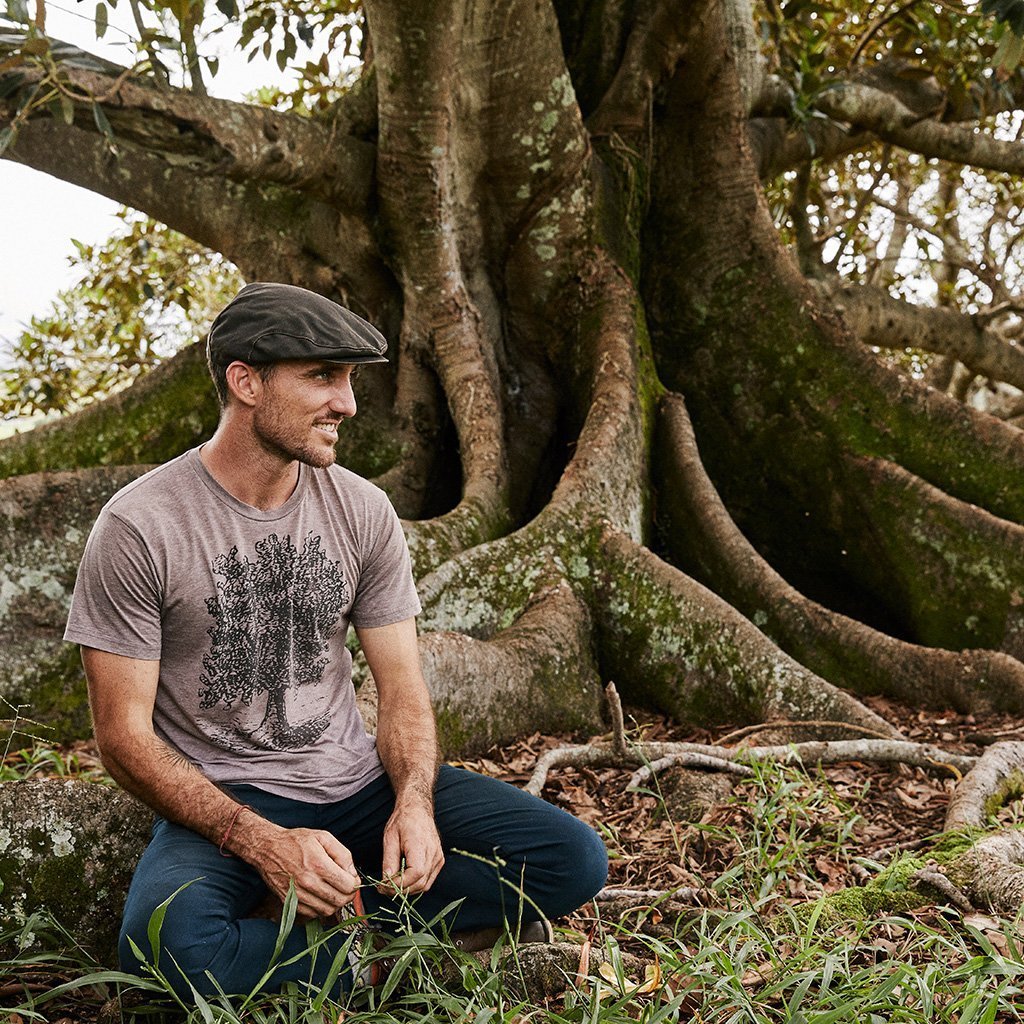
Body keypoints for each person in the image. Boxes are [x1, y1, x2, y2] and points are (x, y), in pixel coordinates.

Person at [63, 282, 608, 1000]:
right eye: (323, 376)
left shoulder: (362, 510)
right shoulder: (140, 527)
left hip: (358, 790)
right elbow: (122, 739)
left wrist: (413, 801)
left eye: (349, 379)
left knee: (573, 860)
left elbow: (403, 686)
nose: (347, 403)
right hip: (231, 800)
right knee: (164, 942)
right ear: (246, 381)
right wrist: (260, 843)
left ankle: (320, 926)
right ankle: (398, 961)